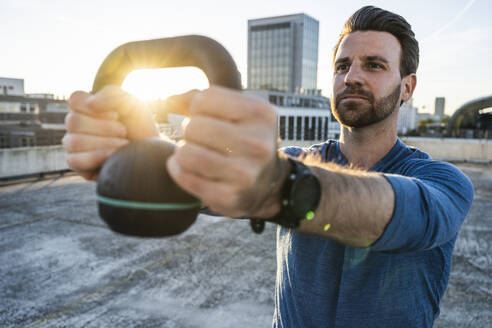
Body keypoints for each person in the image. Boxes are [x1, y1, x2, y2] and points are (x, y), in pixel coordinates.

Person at [63, 5, 473, 327]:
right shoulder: (295, 160)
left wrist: (279, 188)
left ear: (407, 87)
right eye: (342, 65)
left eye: (374, 65)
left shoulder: (445, 184)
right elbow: (200, 181)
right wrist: (138, 147)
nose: (352, 76)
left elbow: (406, 213)